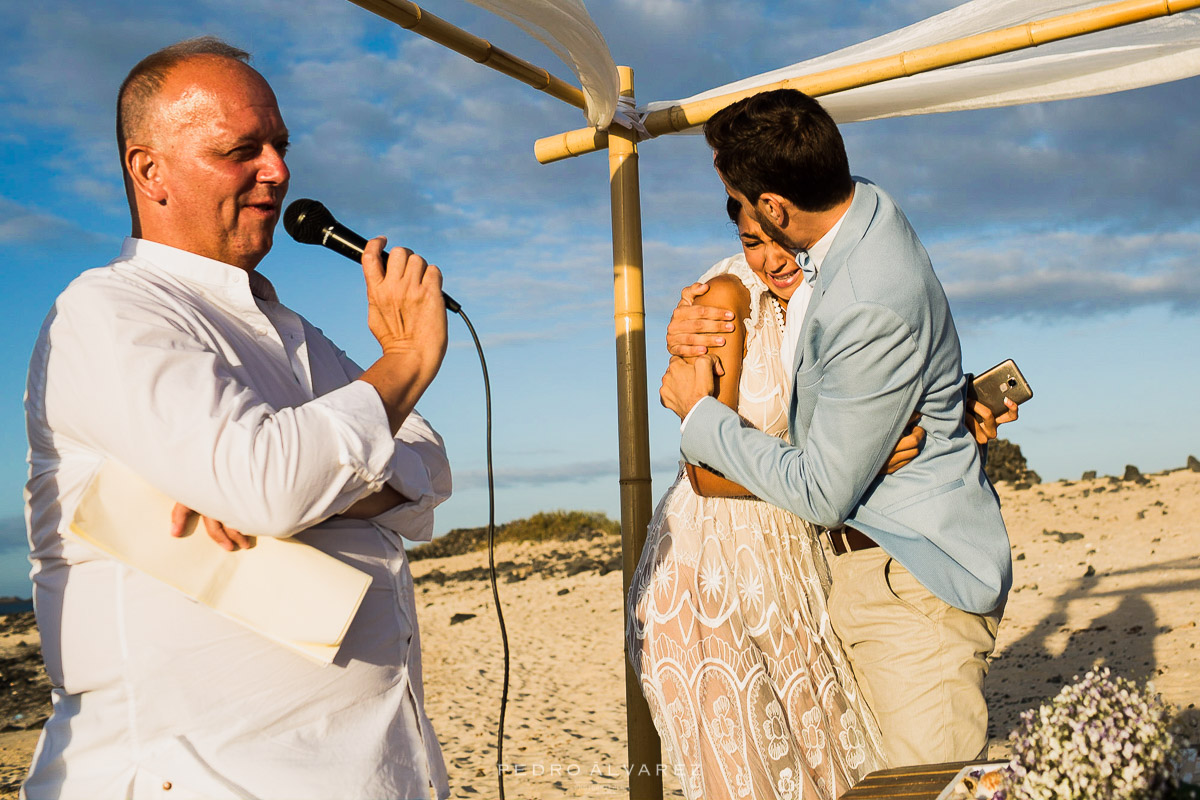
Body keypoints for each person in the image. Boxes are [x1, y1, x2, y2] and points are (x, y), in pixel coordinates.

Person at [22, 38, 451, 799]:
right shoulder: (110, 310)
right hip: (201, 777)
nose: (279, 172)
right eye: (240, 150)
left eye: (280, 146)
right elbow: (272, 485)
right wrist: (405, 362)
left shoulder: (289, 329)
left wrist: (305, 479)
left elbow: (428, 463)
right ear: (148, 169)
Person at [659, 88, 1014, 769]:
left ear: (777, 207)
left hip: (910, 582)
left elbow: (823, 489)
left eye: (740, 196)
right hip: (837, 578)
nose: (736, 214)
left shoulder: (866, 301)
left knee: (931, 784)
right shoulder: (861, 214)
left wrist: (697, 414)